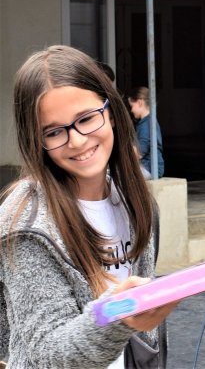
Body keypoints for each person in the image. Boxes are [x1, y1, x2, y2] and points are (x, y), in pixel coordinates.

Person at [0, 45, 176, 369]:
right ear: (35, 140)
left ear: (111, 112)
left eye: (86, 119)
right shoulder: (26, 223)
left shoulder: (138, 201)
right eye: (54, 132)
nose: (77, 140)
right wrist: (119, 314)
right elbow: (50, 352)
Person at [127, 88, 165, 180]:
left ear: (140, 103)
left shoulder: (146, 125)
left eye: (132, 106)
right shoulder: (148, 122)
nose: (131, 110)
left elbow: (139, 152)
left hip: (149, 169)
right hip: (150, 168)